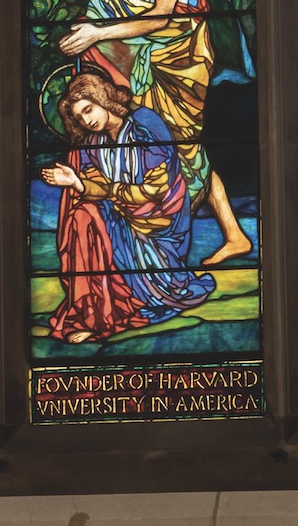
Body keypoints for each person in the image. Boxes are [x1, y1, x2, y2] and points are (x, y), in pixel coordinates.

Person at [57, 0, 250, 265]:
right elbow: (96, 17)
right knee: (157, 151)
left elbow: (163, 17)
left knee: (186, 150)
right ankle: (187, 239)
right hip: (137, 71)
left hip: (180, 65)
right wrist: (82, 35)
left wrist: (98, 34)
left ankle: (226, 235)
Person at [41, 71, 213, 342]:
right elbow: (96, 191)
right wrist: (77, 183)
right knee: (83, 214)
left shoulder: (145, 125)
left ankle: (99, 313)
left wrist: (103, 192)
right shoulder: (92, 144)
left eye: (88, 109)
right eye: (78, 118)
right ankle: (93, 311)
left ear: (103, 98)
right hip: (119, 219)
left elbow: (154, 192)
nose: (87, 120)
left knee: (88, 215)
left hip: (155, 228)